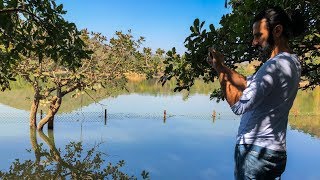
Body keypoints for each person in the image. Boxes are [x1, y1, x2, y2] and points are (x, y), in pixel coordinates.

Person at [207, 6, 305, 179]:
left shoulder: (273, 66)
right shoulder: (293, 62)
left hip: (255, 153)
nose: (254, 42)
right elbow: (247, 83)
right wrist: (221, 66)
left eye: (258, 35)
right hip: (275, 153)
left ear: (277, 30)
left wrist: (220, 73)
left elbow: (239, 106)